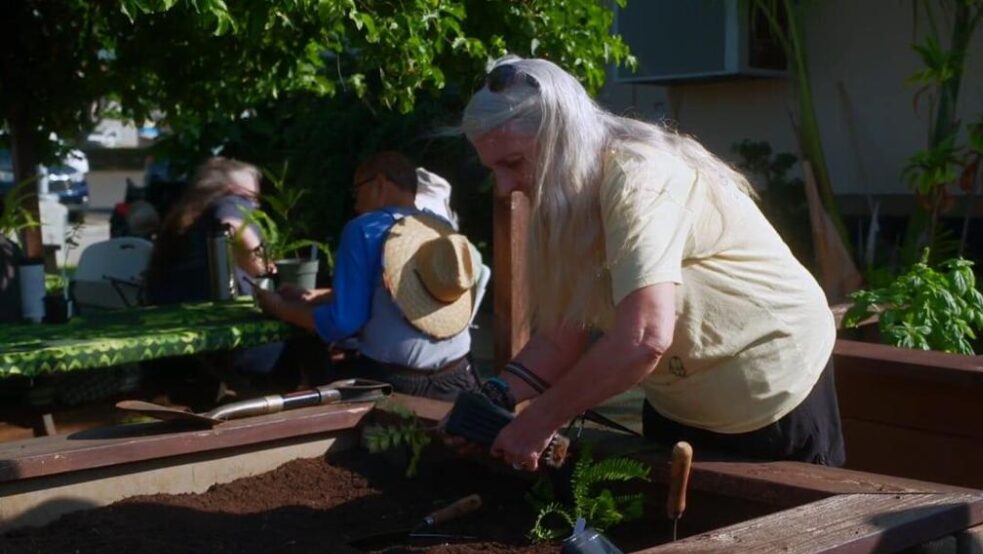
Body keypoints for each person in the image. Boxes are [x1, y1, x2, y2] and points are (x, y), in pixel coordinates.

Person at [457, 57, 845, 471]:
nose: (505, 186)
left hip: (771, 391)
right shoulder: (566, 206)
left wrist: (538, 420)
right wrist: (494, 396)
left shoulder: (638, 177)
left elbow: (643, 338)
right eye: (492, 169)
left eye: (512, 164)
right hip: (679, 402)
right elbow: (560, 337)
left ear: (560, 140)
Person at [254, 151, 486, 401]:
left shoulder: (363, 229)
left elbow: (343, 323)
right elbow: (394, 293)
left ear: (379, 183)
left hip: (397, 384)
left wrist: (277, 307)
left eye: (356, 191)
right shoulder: (439, 226)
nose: (355, 203)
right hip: (460, 374)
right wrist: (318, 297)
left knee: (316, 366)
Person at [145, 157, 268, 304]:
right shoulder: (232, 200)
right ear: (232, 189)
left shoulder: (188, 212)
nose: (255, 205)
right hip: (212, 307)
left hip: (170, 303)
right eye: (252, 197)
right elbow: (232, 222)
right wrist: (262, 268)